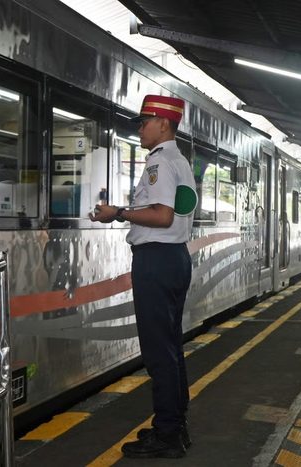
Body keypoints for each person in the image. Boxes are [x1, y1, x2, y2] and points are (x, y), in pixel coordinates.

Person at [91, 94, 196, 458]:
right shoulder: (180, 160)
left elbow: (162, 216)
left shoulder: (160, 162)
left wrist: (118, 213)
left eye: (144, 121)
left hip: (156, 260)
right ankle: (175, 425)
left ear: (163, 124)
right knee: (171, 346)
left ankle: (167, 435)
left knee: (158, 350)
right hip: (175, 258)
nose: (140, 129)